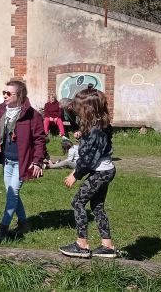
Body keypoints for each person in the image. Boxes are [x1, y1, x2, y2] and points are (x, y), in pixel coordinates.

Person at [0, 80, 46, 243]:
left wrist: (37, 161)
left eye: (9, 93)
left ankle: (2, 231)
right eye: (4, 92)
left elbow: (39, 139)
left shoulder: (32, 115)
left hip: (23, 163)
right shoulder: (3, 109)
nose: (5, 96)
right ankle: (24, 223)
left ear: (19, 95)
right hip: (7, 160)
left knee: (11, 194)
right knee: (12, 194)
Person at [59, 88, 117, 258]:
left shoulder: (95, 130)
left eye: (79, 108)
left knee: (77, 202)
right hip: (106, 170)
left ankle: (81, 245)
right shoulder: (99, 124)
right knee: (97, 206)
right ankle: (107, 246)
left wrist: (75, 175)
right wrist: (83, 135)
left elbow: (88, 158)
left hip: (100, 173)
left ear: (88, 109)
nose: (76, 110)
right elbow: (96, 146)